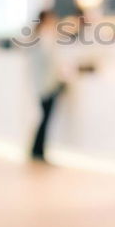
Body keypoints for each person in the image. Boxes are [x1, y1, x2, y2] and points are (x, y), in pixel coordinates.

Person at [28, 10, 64, 161]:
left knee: (43, 118)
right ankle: (38, 150)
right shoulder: (46, 37)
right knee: (45, 119)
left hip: (41, 85)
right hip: (48, 85)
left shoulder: (36, 38)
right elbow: (52, 63)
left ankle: (37, 150)